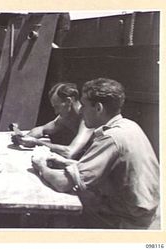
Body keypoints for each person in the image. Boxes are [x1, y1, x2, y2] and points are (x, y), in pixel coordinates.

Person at [31, 78, 160, 229]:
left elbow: (63, 183)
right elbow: (107, 168)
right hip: (146, 212)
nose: (81, 110)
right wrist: (68, 164)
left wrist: (41, 167)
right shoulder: (128, 126)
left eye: (84, 106)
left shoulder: (110, 138)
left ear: (98, 108)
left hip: (128, 221)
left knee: (53, 215)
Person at [12, 82, 93, 159]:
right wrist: (23, 138)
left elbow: (69, 152)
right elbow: (42, 129)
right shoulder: (66, 116)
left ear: (68, 101)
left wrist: (37, 142)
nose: (56, 112)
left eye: (57, 107)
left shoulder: (88, 118)